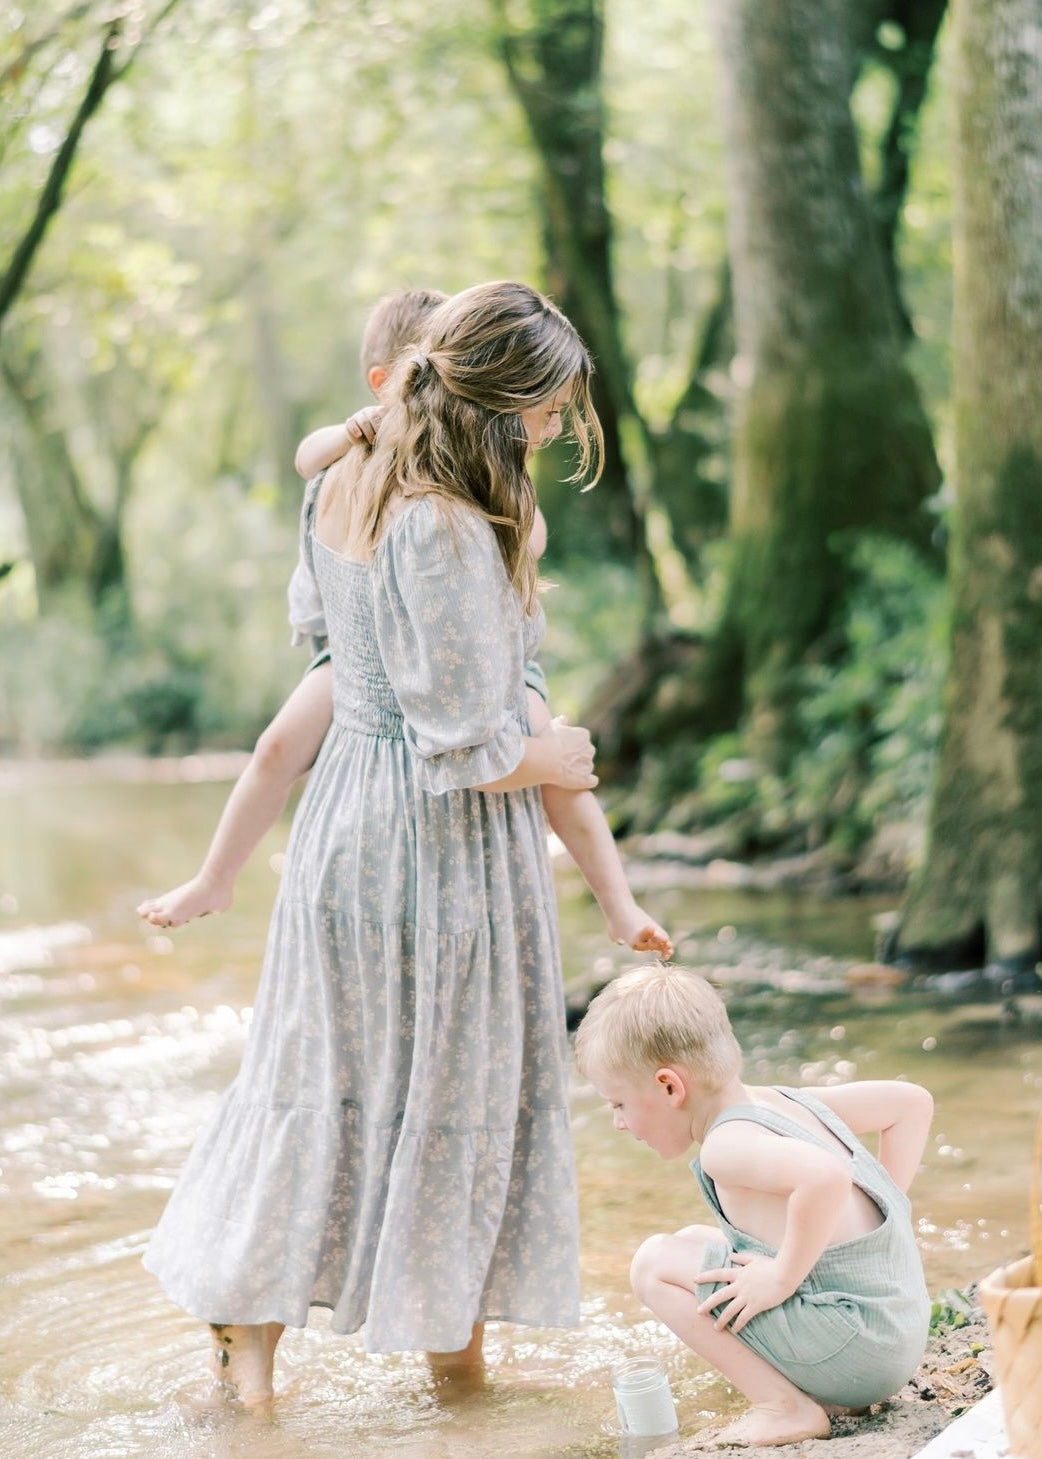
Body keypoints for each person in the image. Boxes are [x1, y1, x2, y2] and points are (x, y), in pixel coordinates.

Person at [142, 280, 611, 1408]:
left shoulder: (349, 489)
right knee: (450, 1086)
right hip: (433, 841)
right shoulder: (446, 524)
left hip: (348, 823)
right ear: (500, 404)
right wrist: (551, 760)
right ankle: (458, 1373)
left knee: (323, 1081)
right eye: (545, 406)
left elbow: (334, 670)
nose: (555, 424)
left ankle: (260, 1356)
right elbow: (461, 741)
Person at [139, 287, 672, 960]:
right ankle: (214, 878)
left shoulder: (430, 480)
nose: (555, 425)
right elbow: (321, 464)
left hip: (399, 702)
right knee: (554, 765)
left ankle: (618, 901)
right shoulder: (420, 496)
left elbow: (519, 545)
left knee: (556, 772)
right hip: (391, 692)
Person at [574, 964, 933, 1448]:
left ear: (668, 1087)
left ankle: (783, 1407)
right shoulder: (785, 1101)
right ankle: (818, 1384)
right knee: (694, 1242)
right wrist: (887, 1222)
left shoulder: (726, 1145)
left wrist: (782, 1276)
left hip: (860, 1352)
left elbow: (826, 1177)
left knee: (654, 1265)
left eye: (617, 1104)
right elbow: (912, 1103)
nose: (618, 1122)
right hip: (895, 1327)